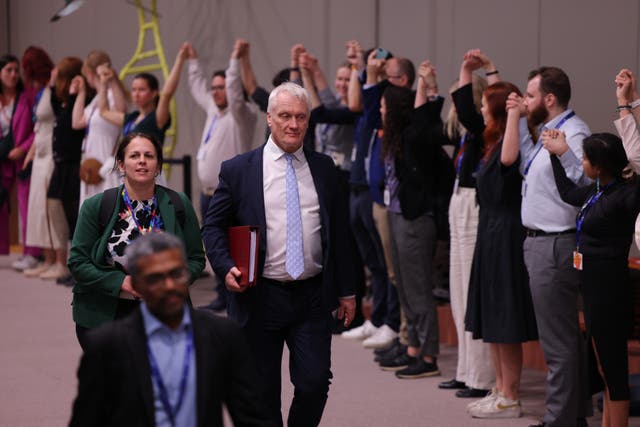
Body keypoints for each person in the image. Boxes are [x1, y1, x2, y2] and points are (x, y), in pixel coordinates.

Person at [202, 82, 356, 426]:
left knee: (315, 383)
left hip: (312, 295)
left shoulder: (324, 168)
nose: (293, 124)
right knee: (260, 391)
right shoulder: (239, 169)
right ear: (269, 118)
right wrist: (225, 267)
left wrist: (346, 289)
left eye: (301, 117)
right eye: (285, 116)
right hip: (259, 296)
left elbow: (339, 236)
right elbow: (212, 228)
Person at [68, 232, 270, 427]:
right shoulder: (108, 345)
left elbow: (252, 416)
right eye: (155, 278)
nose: (169, 285)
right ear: (137, 285)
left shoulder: (222, 335)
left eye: (176, 274)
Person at [502, 66, 592, 427]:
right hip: (540, 243)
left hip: (556, 243)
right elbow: (525, 163)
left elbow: (584, 182)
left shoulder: (575, 131)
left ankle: (559, 419)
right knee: (560, 337)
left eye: (531, 95)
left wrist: (564, 151)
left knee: (559, 342)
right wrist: (519, 118)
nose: (526, 100)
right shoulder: (548, 132)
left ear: (549, 99)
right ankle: (573, 416)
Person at [68, 132, 205, 349]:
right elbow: (77, 262)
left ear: (158, 166)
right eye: (134, 156)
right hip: (105, 314)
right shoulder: (96, 206)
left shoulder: (179, 204)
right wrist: (121, 282)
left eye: (149, 156)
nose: (142, 160)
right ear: (121, 165)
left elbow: (196, 259)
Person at [544, 130, 636, 427]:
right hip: (593, 286)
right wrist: (554, 154)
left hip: (611, 288)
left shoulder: (626, 194)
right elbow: (568, 193)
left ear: (599, 165)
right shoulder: (598, 191)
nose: (580, 162)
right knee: (602, 365)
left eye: (584, 158)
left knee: (614, 368)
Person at [460, 78, 538, 418]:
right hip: (488, 231)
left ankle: (511, 395)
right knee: (490, 316)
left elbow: (510, 158)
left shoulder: (509, 141)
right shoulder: (488, 141)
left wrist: (513, 115)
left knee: (504, 317)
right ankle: (499, 388)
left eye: (484, 104)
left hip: (506, 233)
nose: (479, 108)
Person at [375, 62, 444, 379]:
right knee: (403, 285)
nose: (380, 108)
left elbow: (422, 122)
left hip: (416, 219)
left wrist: (425, 88)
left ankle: (428, 355)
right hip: (398, 215)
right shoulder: (394, 137)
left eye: (384, 105)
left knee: (418, 289)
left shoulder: (413, 136)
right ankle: (413, 346)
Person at [183, 39, 259, 312]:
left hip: (228, 193)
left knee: (230, 246)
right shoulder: (215, 111)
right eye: (214, 88)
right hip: (207, 191)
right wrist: (192, 61)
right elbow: (197, 88)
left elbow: (235, 93)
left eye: (221, 87)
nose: (216, 92)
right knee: (212, 244)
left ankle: (232, 295)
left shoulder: (242, 115)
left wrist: (234, 61)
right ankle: (219, 293)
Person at [438, 50, 496, 398]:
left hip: (475, 208)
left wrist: (473, 70)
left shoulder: (482, 130)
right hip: (459, 204)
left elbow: (472, 111)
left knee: (472, 293)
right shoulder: (465, 136)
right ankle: (466, 369)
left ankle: (482, 375)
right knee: (458, 292)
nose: (454, 108)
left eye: (460, 100)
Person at [20, 47, 61, 279]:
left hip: (52, 153)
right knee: (38, 207)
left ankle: (58, 260)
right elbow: (38, 126)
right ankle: (47, 258)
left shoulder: (53, 82)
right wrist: (31, 153)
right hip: (40, 152)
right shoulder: (39, 89)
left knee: (50, 207)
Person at [99, 43, 188, 146]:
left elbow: (166, 94)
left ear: (154, 93)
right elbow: (103, 111)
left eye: (141, 90)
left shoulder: (157, 118)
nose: (136, 94)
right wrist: (103, 83)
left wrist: (180, 59)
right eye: (133, 90)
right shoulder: (131, 118)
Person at [46, 56, 86, 281]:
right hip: (60, 164)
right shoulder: (64, 100)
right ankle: (69, 262)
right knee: (57, 208)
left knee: (74, 217)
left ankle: (76, 266)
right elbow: (57, 112)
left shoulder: (81, 98)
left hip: (72, 164)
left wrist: (74, 94)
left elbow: (72, 121)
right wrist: (52, 85)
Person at [0, 53, 40, 270]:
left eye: (16, 70)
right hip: (1, 157)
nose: (13, 74)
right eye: (8, 70)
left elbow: (38, 129)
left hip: (23, 157)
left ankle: (31, 252)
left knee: (26, 206)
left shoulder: (28, 97)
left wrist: (23, 149)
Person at [71, 50, 126, 206]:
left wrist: (112, 80)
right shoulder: (96, 99)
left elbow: (122, 112)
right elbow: (77, 122)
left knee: (106, 209)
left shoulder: (111, 93)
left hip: (104, 161)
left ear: (89, 73)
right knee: (90, 212)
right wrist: (81, 93)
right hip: (91, 163)